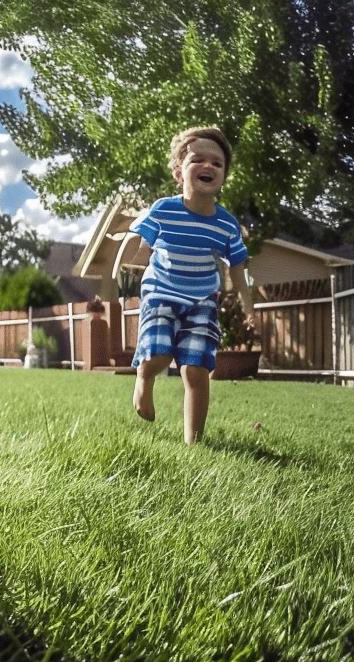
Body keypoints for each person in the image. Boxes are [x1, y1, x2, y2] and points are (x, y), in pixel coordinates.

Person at [129, 127, 255, 444]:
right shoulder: (163, 210)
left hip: (201, 301)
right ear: (179, 170)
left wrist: (248, 305)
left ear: (224, 174)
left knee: (196, 369)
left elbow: (238, 267)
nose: (208, 167)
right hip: (161, 294)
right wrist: (135, 262)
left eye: (217, 163)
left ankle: (194, 443)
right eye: (198, 159)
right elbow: (141, 245)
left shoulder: (226, 224)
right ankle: (144, 378)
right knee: (159, 355)